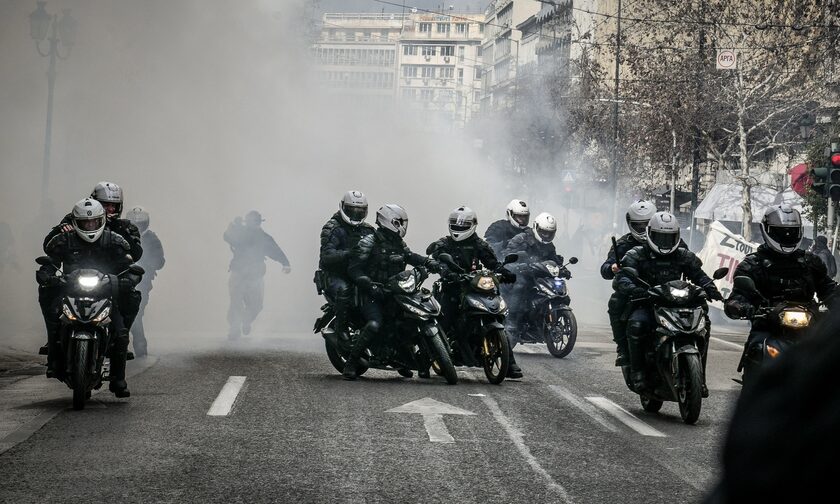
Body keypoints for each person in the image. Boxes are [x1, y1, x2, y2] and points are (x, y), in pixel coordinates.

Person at [703, 310, 840, 504]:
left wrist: (826, 304)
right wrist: (743, 303)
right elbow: (742, 293)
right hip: (769, 322)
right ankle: (751, 374)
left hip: (804, 321)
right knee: (757, 344)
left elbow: (827, 292)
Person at [37, 199, 139, 397]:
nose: (90, 226)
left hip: (105, 293)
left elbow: (128, 264)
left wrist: (128, 279)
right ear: (76, 222)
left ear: (101, 220)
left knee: (121, 332)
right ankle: (54, 361)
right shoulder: (64, 239)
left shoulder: (114, 240)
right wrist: (46, 274)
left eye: (94, 222)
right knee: (53, 316)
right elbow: (50, 260)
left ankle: (118, 379)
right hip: (70, 292)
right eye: (85, 222)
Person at [613, 211, 722, 393]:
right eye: (660, 237)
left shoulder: (683, 255)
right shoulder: (636, 254)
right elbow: (623, 277)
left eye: (669, 237)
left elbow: (698, 274)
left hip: (678, 302)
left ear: (677, 236)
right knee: (637, 324)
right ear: (650, 234)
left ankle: (700, 377)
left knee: (704, 323)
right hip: (647, 302)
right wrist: (634, 289)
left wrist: (710, 287)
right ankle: (638, 372)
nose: (664, 242)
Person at [724, 206, 838, 359]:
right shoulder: (752, 264)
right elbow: (738, 295)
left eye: (791, 232)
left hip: (809, 327)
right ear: (766, 230)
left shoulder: (810, 262)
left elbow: (828, 288)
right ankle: (754, 373)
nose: (787, 236)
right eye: (781, 232)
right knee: (756, 348)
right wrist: (741, 306)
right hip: (767, 326)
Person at [344, 204, 440, 380]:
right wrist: (368, 283)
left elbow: (410, 256)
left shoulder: (398, 242)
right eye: (399, 222)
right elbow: (354, 268)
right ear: (389, 221)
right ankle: (351, 363)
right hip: (371, 293)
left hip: (393, 291)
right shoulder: (369, 241)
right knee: (375, 324)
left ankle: (403, 358)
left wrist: (428, 262)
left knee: (408, 319)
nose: (402, 226)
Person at [426, 207, 517, 374]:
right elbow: (437, 259)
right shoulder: (445, 243)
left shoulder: (479, 244)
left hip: (475, 288)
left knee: (498, 316)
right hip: (452, 289)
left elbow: (492, 263)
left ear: (473, 225)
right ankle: (425, 361)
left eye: (463, 225)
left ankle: (509, 363)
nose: (459, 228)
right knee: (443, 322)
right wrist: (445, 271)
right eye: (456, 224)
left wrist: (505, 272)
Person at [502, 212, 568, 377]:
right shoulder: (521, 239)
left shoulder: (549, 246)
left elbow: (554, 260)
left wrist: (562, 269)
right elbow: (507, 258)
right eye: (543, 232)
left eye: (549, 233)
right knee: (520, 287)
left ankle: (545, 319)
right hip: (520, 278)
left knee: (559, 289)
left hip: (539, 278)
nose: (546, 235)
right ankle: (512, 323)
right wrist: (519, 266)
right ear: (536, 227)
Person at [600, 200, 656, 366]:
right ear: (630, 224)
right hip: (633, 291)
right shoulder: (623, 244)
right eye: (639, 225)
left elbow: (688, 259)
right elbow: (605, 268)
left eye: (647, 224)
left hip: (664, 289)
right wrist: (612, 267)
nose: (643, 229)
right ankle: (623, 348)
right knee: (616, 302)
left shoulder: (667, 238)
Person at [224, 210, 291, 339]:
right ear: (247, 222)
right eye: (250, 221)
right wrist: (232, 226)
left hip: (255, 276)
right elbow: (227, 237)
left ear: (259, 223)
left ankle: (246, 320)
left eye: (255, 221)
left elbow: (275, 250)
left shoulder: (263, 238)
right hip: (238, 274)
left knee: (256, 305)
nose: (253, 224)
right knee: (236, 303)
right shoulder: (239, 232)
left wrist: (285, 263)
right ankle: (234, 329)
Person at [318, 191, 375, 337]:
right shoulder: (333, 227)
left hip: (358, 272)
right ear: (342, 207)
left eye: (360, 211)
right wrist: (348, 253)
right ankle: (341, 329)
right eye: (352, 210)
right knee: (343, 290)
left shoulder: (368, 229)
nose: (356, 214)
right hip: (335, 274)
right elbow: (326, 256)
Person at [125, 207, 165, 358]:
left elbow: (160, 261)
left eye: (140, 224)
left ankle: (140, 346)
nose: (137, 226)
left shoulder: (152, 239)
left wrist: (147, 266)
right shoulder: (121, 235)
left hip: (142, 281)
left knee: (136, 313)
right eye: (134, 223)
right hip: (121, 279)